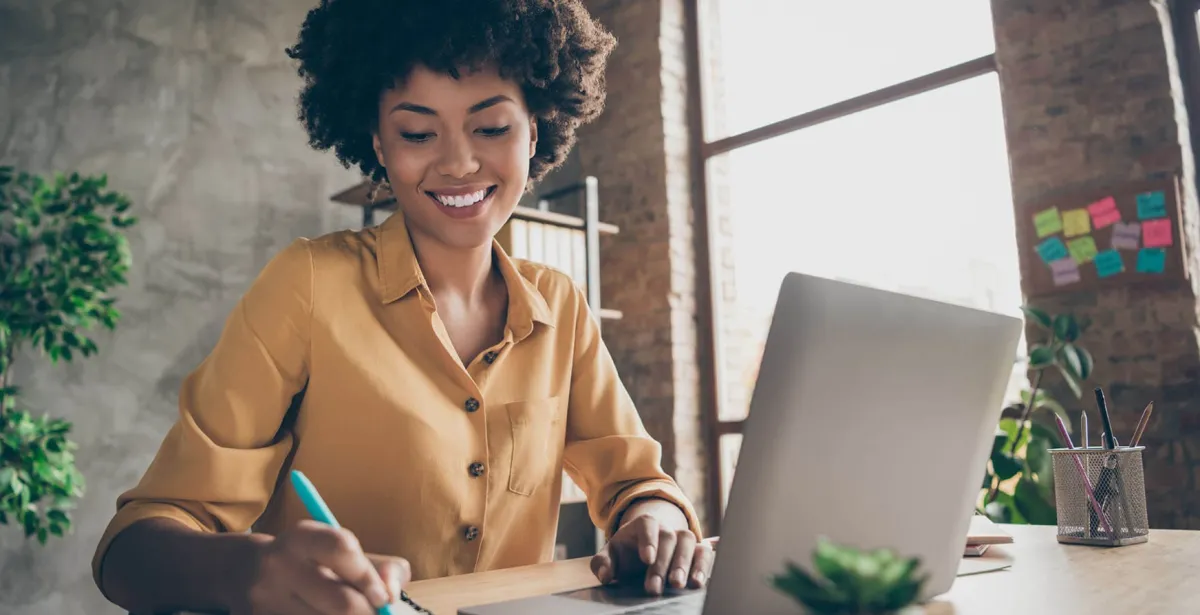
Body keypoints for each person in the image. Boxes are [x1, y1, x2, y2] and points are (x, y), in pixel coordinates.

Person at [91, 1, 711, 613]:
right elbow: (131, 550)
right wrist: (248, 571)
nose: (458, 162)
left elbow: (636, 482)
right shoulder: (308, 285)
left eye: (491, 126)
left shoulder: (559, 304)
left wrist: (653, 521)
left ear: (536, 132)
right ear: (379, 144)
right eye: (417, 133)